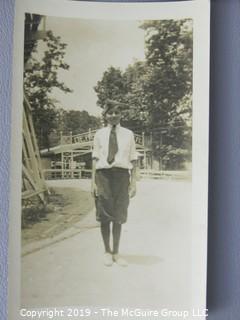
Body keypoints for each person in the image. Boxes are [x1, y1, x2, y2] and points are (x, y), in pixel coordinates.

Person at [91, 99, 138, 267]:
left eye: (117, 112)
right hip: (103, 176)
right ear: (105, 115)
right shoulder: (99, 134)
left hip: (121, 176)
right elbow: (95, 159)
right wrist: (93, 183)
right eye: (110, 112)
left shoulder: (128, 134)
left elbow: (134, 159)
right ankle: (106, 251)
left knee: (119, 214)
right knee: (104, 214)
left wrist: (133, 183)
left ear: (121, 115)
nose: (113, 115)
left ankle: (116, 253)